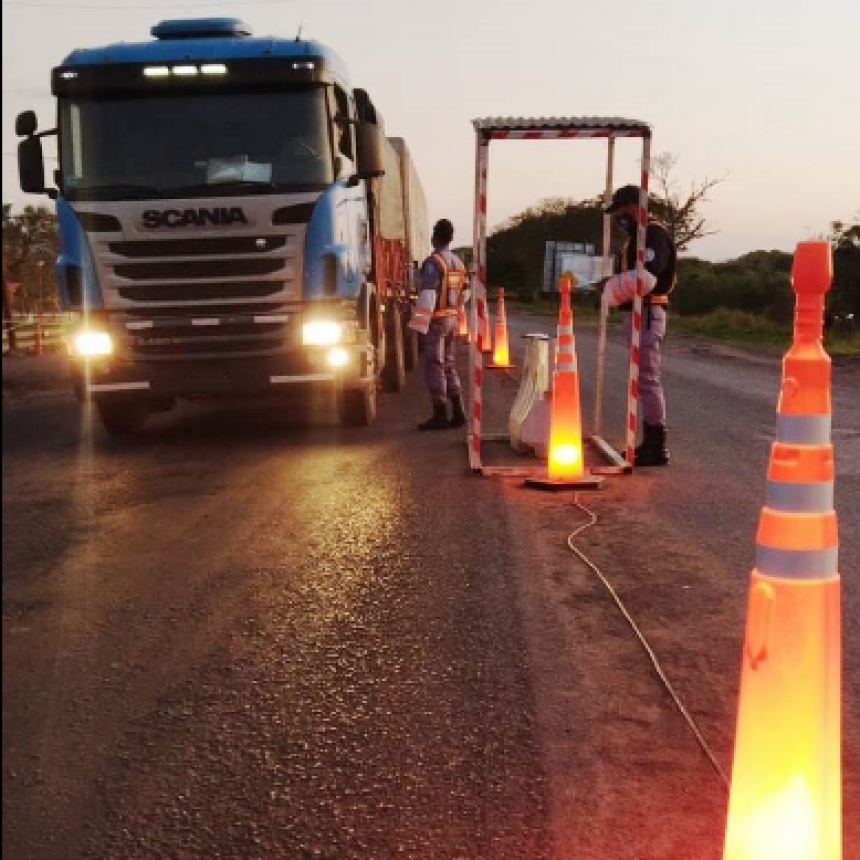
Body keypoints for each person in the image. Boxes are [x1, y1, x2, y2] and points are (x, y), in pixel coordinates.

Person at [597, 185, 677, 466]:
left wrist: (612, 286)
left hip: (648, 311)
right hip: (638, 311)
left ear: (633, 206)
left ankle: (656, 445)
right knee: (642, 378)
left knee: (647, 378)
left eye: (621, 210)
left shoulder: (652, 233)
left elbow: (647, 278)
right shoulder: (639, 236)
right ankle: (650, 442)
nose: (619, 216)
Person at [416, 219, 468, 431]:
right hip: (452, 318)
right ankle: (458, 412)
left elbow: (428, 294)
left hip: (436, 320)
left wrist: (420, 325)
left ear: (434, 237)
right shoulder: (458, 262)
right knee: (448, 363)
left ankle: (440, 414)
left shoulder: (434, 263)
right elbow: (465, 293)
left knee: (434, 364)